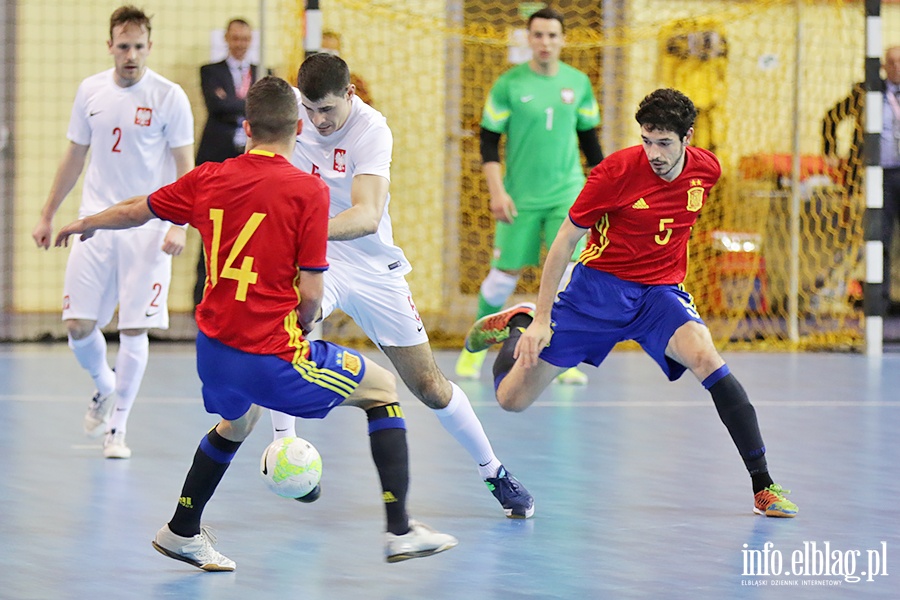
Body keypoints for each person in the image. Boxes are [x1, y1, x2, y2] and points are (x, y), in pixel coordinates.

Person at [54, 75, 458, 570]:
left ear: (246, 128)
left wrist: (87, 221)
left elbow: (139, 209)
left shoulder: (208, 177)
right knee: (381, 390)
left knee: (238, 421)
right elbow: (310, 295)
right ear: (297, 129)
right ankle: (400, 531)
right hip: (268, 353)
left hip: (214, 349)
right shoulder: (306, 192)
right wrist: (303, 328)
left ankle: (182, 529)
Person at [465, 88, 798, 519]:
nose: (654, 153)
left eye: (664, 143)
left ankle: (763, 486)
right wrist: (543, 317)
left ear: (688, 138)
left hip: (659, 294)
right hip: (596, 293)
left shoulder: (706, 171)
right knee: (511, 400)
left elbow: (675, 223)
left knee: (706, 357)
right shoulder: (614, 173)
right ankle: (519, 321)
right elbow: (566, 239)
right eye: (646, 140)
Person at [268, 52, 535, 519]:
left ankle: (493, 470)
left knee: (429, 385)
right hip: (316, 261)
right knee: (279, 334)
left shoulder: (372, 130)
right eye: (309, 110)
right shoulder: (291, 111)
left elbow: (368, 216)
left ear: (350, 94)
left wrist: (301, 230)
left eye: (327, 109)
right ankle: (286, 452)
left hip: (371, 267)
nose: (317, 121)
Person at [31, 5, 194, 459]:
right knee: (79, 326)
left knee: (136, 327)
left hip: (149, 226)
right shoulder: (90, 91)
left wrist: (178, 222)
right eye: (123, 46)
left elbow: (187, 170)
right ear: (110, 46)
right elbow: (74, 157)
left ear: (149, 47)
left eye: (139, 47)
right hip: (96, 223)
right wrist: (47, 214)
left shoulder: (169, 96)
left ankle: (117, 429)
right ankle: (104, 386)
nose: (131, 55)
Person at [455, 7, 603, 385]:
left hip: (566, 197)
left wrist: (602, 195)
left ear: (562, 40)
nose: (545, 43)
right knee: (503, 277)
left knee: (569, 278)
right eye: (538, 35)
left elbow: (591, 143)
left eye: (552, 36)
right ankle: (473, 352)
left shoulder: (579, 83)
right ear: (528, 38)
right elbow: (488, 141)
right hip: (519, 198)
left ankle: (562, 358)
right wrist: (497, 191)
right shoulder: (509, 84)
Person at [823, 46, 900, 312]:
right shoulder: (865, 92)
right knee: (880, 239)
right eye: (892, 63)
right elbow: (830, 117)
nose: (897, 67)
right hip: (879, 175)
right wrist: (830, 152)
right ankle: (881, 301)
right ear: (883, 67)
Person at [192, 18, 261, 307]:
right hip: (217, 159)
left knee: (249, 229)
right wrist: (247, 105)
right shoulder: (210, 71)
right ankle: (201, 298)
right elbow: (216, 107)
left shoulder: (262, 71)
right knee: (210, 226)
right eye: (235, 38)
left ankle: (241, 299)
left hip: (249, 161)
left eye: (245, 39)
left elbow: (249, 108)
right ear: (226, 39)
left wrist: (233, 104)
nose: (240, 44)